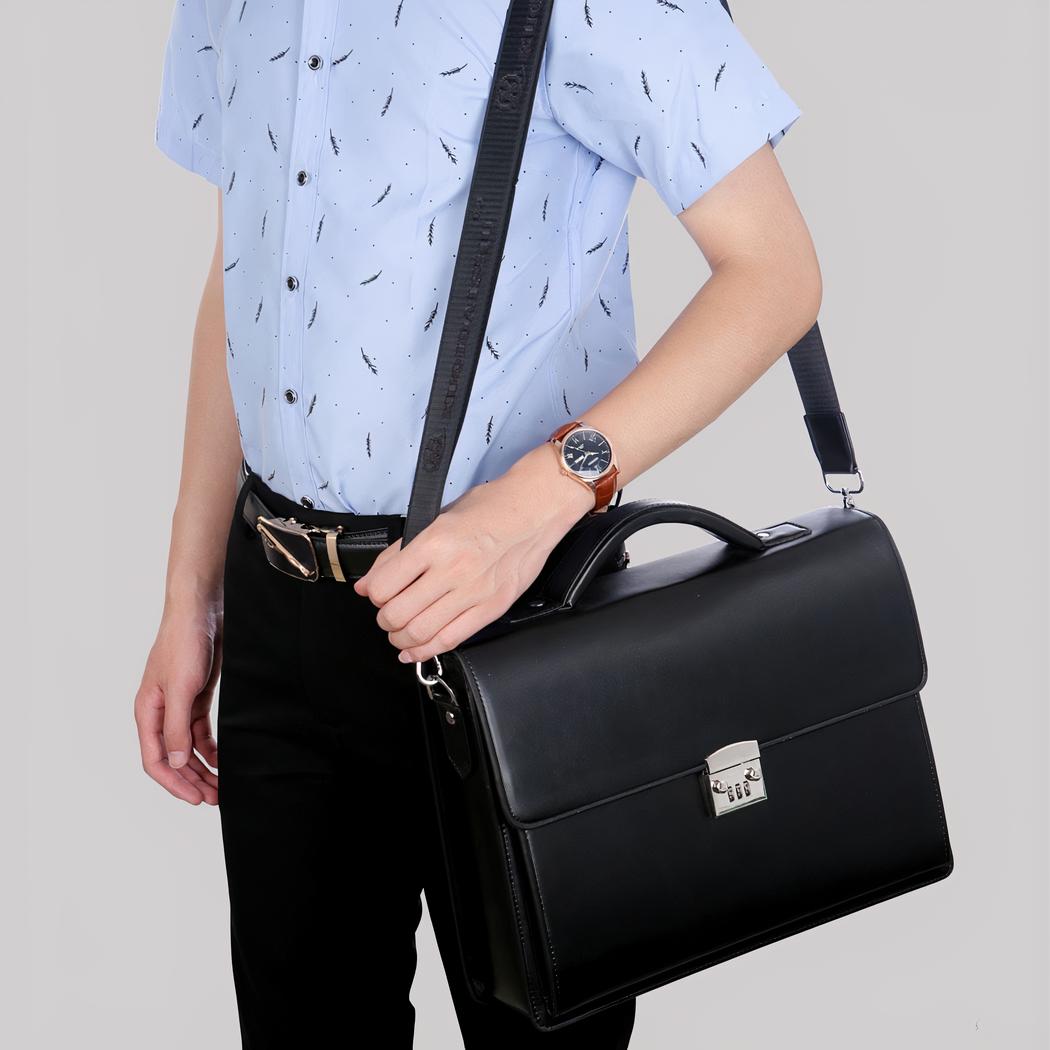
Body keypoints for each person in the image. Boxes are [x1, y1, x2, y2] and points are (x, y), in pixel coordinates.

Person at [137, 1, 820, 1046]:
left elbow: (776, 272)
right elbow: (248, 268)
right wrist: (193, 593)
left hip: (522, 620)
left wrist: (536, 505)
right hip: (280, 616)